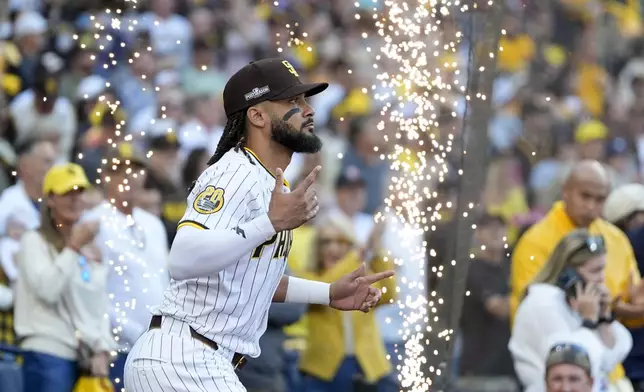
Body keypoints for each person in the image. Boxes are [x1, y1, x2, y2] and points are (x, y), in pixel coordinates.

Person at [123, 58, 395, 392]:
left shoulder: (267, 183)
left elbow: (256, 277)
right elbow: (181, 260)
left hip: (199, 358)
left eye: (306, 100)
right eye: (293, 102)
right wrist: (268, 223)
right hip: (183, 357)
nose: (308, 110)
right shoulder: (235, 173)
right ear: (257, 114)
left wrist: (326, 292)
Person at [511, 160, 641, 388]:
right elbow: (568, 360)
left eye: (600, 199)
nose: (592, 206)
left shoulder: (616, 239)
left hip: (607, 374)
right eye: (585, 196)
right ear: (566, 192)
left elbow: (630, 309)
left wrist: (611, 312)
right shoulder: (536, 248)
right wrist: (591, 320)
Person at [13, 163, 116, 392]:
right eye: (67, 193)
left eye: (79, 192)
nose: (75, 199)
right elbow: (48, 290)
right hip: (47, 353)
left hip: (83, 359)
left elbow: (98, 305)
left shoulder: (90, 248)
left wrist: (103, 347)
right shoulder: (34, 241)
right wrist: (73, 247)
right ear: (50, 199)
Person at [510, 230, 632, 392]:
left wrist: (603, 317)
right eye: (595, 271)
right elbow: (575, 363)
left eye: (603, 270)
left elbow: (609, 359)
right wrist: (588, 321)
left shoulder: (576, 304)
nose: (602, 279)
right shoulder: (542, 304)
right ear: (569, 275)